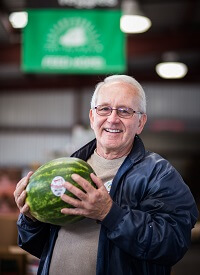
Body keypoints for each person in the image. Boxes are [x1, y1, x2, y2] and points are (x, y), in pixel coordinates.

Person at [14, 75, 198, 275]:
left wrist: (109, 214)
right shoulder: (69, 167)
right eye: (104, 109)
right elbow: (38, 246)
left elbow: (173, 244)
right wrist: (31, 219)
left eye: (124, 111)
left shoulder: (159, 175)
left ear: (140, 122)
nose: (112, 118)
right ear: (92, 117)